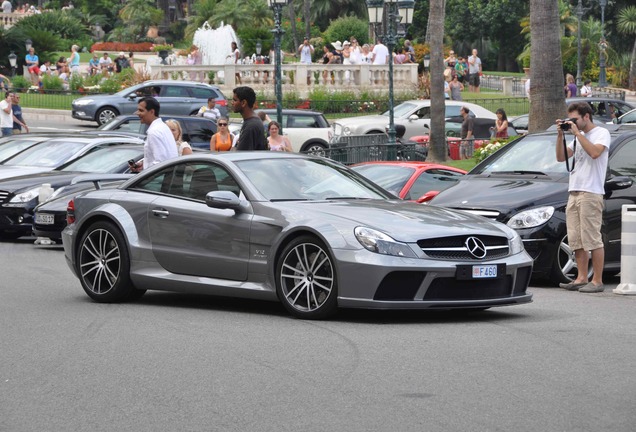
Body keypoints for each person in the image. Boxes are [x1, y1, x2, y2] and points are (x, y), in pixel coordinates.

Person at [555, 101, 611, 293]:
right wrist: (561, 134)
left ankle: (597, 280)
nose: (573, 123)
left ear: (586, 116)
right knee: (576, 238)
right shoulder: (578, 137)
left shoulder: (601, 133)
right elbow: (561, 157)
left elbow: (595, 153)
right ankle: (580, 277)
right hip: (575, 190)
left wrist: (578, 134)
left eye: (575, 119)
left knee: (592, 238)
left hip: (591, 191)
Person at [130, 97, 178, 171]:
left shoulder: (154, 132)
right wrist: (144, 165)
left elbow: (160, 163)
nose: (137, 113)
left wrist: (145, 172)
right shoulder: (162, 127)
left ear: (152, 112)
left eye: (141, 110)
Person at [232, 86, 267, 151]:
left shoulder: (251, 126)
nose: (232, 103)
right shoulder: (252, 121)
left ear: (243, 103)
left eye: (235, 100)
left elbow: (241, 155)